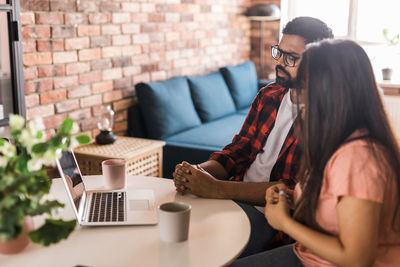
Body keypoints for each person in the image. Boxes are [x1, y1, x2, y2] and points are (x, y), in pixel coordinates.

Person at [231, 39, 400, 266]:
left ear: (328, 91)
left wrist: (285, 223)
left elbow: (357, 258)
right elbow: (337, 209)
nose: (297, 90)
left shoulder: (357, 159)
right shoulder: (339, 139)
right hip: (310, 254)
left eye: (304, 82)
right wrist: (292, 200)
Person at [173, 17, 333, 255]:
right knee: (171, 233)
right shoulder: (269, 95)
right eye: (279, 52)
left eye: (291, 57)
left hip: (272, 217)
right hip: (231, 198)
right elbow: (240, 149)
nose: (279, 62)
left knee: (199, 251)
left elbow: (291, 189)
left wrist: (216, 188)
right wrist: (199, 172)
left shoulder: (328, 116)